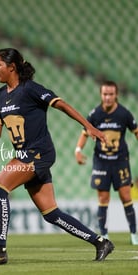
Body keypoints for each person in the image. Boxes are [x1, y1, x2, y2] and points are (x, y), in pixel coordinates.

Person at [0, 48, 114, 265]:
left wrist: (89, 126)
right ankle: (100, 242)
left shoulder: (30, 89)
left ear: (12, 67)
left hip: (38, 153)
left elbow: (61, 105)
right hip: (25, 154)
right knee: (51, 213)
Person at [75, 80, 138, 245]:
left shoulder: (124, 114)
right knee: (103, 198)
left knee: (126, 197)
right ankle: (104, 234)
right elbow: (85, 133)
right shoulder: (95, 114)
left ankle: (134, 234)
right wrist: (78, 150)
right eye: (105, 94)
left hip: (120, 161)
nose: (108, 97)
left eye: (111, 94)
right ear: (101, 95)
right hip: (101, 162)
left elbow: (136, 131)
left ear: (116, 95)